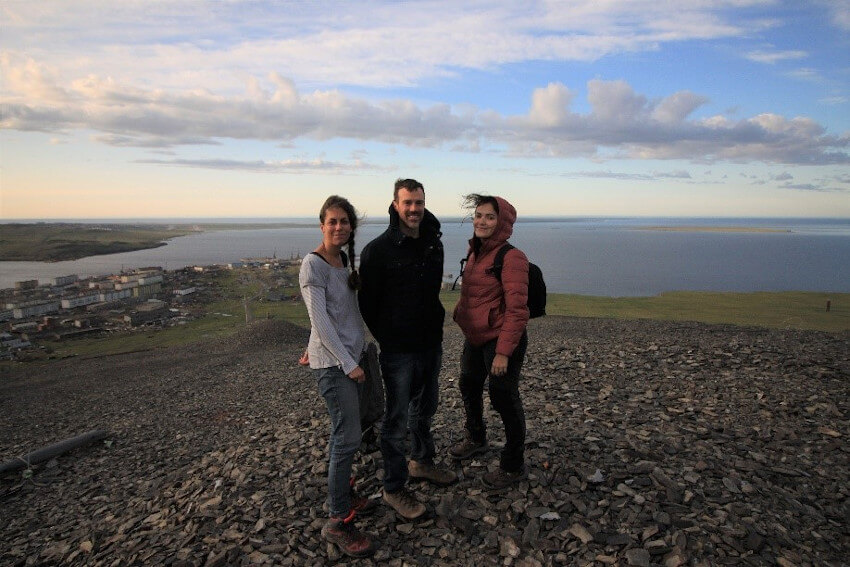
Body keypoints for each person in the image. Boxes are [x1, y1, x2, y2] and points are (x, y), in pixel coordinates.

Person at [358, 178, 457, 520]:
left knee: (425, 408)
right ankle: (394, 487)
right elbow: (368, 304)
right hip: (399, 350)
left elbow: (430, 293)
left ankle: (421, 462)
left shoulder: (434, 244)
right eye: (407, 203)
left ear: (424, 203)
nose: (414, 209)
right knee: (397, 418)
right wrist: (390, 336)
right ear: (396, 204)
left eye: (419, 202)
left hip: (431, 342)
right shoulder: (378, 250)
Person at [299, 195, 376, 558]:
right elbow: (321, 321)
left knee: (347, 432)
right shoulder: (312, 265)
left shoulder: (342, 260)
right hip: (336, 366)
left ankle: (344, 494)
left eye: (344, 222)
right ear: (321, 225)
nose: (338, 227)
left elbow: (332, 314)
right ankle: (337, 519)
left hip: (346, 356)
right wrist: (348, 363)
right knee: (346, 439)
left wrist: (312, 344)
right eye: (332, 221)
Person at [450, 194, 531, 490]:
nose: (481, 221)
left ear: (503, 223)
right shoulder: (476, 252)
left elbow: (518, 309)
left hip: (500, 341)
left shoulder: (511, 258)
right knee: (468, 384)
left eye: (489, 217)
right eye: (478, 215)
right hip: (476, 337)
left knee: (503, 398)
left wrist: (503, 353)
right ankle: (476, 437)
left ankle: (512, 465)